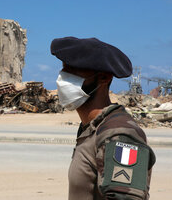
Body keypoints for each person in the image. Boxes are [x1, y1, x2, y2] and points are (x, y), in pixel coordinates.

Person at [51, 37, 156, 200]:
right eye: (64, 69)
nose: (63, 78)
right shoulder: (93, 127)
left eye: (73, 70)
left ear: (104, 78)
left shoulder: (120, 134)